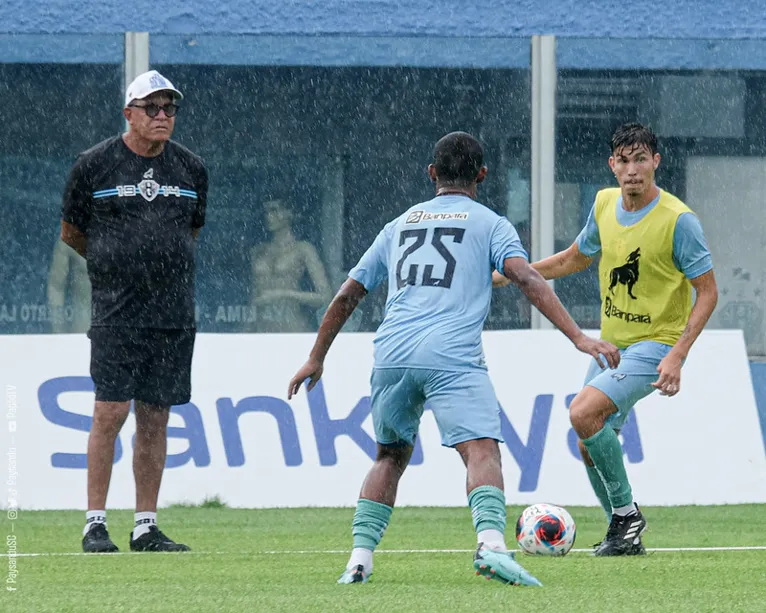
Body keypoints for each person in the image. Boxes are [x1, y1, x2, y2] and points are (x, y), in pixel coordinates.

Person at [288, 132, 620, 585]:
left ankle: (359, 560)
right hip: (450, 353)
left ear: (432, 174)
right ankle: (491, 546)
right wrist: (578, 336)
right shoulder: (491, 223)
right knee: (480, 449)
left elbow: (349, 293)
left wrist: (315, 357)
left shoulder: (398, 224)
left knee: (389, 456)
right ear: (482, 175)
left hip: (392, 352)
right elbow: (525, 278)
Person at [494, 122, 718, 556]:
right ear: (612, 165)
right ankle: (622, 531)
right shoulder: (604, 204)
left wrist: (677, 355)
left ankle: (626, 517)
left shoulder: (679, 221)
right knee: (587, 438)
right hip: (612, 346)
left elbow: (708, 292)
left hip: (656, 344)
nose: (632, 170)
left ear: (656, 162)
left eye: (641, 160)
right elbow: (574, 258)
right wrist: (512, 274)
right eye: (624, 160)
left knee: (582, 412)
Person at [60, 70, 208, 553]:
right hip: (116, 312)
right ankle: (94, 523)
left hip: (172, 314)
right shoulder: (94, 165)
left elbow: (190, 233)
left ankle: (145, 525)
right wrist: (116, 268)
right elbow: (72, 233)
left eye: (169, 108)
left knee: (155, 417)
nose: (163, 116)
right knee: (110, 412)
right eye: (152, 108)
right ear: (130, 113)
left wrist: (156, 266)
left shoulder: (191, 168)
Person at [249, 199, 331, 332]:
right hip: (262, 329)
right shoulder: (259, 251)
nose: (269, 216)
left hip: (293, 328)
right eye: (267, 211)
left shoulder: (303, 249)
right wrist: (246, 328)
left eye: (275, 210)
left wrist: (282, 294)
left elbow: (325, 297)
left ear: (290, 213)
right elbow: (254, 295)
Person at [47, 238, 91, 333]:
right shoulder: (70, 237)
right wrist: (58, 328)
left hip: (116, 327)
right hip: (83, 330)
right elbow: (56, 286)